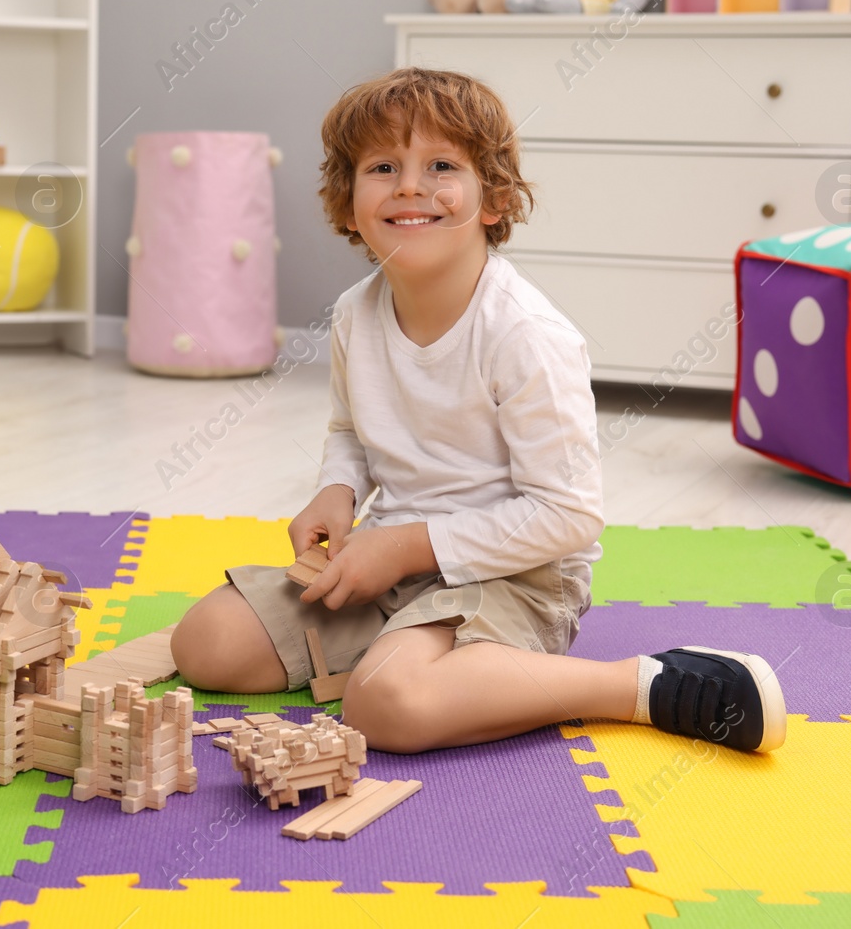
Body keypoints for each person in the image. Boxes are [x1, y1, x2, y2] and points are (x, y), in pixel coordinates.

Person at [170, 66, 786, 755]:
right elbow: (351, 429)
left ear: (492, 199)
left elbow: (569, 514)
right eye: (382, 166)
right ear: (347, 204)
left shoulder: (524, 334)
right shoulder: (354, 314)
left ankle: (637, 684)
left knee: (386, 705)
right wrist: (335, 490)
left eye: (440, 165)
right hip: (391, 562)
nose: (409, 185)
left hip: (516, 573)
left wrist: (404, 546)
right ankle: (416, 652)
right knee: (206, 642)